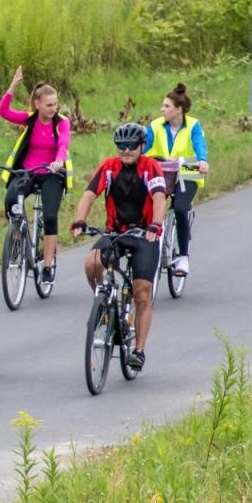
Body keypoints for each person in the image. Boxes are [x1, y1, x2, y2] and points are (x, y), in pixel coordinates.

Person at [71, 123, 168, 373]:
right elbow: (90, 193)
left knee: (142, 293)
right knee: (92, 262)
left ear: (141, 147)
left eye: (131, 146)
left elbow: (159, 196)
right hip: (116, 232)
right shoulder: (109, 167)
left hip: (145, 234)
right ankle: (103, 304)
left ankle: (138, 350)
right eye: (121, 146)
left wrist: (156, 225)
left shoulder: (150, 167)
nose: (125, 150)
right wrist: (80, 220)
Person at [0, 66, 72, 283]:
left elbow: (64, 142)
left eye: (55, 104)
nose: (53, 108)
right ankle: (17, 241)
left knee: (49, 216)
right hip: (28, 172)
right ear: (37, 104)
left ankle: (47, 265)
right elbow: (3, 112)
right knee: (12, 202)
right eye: (48, 105)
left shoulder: (62, 123)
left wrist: (59, 161)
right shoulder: (30, 119)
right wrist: (13, 86)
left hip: (51, 173)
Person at [145, 82, 209, 277]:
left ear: (178, 110)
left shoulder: (193, 126)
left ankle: (182, 256)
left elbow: (200, 145)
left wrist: (202, 161)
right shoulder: (156, 125)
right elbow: (145, 145)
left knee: (180, 208)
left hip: (186, 175)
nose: (162, 109)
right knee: (149, 208)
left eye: (166, 106)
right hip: (162, 174)